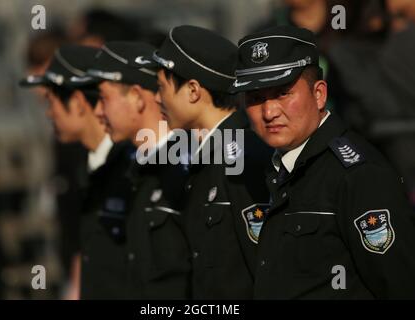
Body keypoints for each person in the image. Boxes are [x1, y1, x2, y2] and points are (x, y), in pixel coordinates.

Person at [231, 25, 415, 299]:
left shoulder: (357, 175)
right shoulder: (267, 168)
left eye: (283, 93)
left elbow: (399, 285)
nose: (269, 111)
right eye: (256, 98)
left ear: (319, 94)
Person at [153, 25, 272, 299]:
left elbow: (264, 266)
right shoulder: (201, 155)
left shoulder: (243, 159)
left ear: (193, 90)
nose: (157, 99)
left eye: (162, 88)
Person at [20, 44, 135, 299]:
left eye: (51, 101)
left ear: (78, 102)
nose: (49, 113)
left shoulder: (131, 170)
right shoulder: (89, 165)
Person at [89, 41, 191, 299]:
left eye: (103, 98)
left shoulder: (187, 168)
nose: (98, 111)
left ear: (136, 96)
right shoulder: (128, 169)